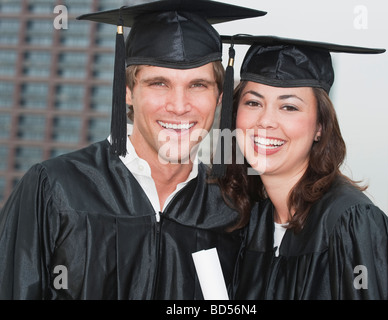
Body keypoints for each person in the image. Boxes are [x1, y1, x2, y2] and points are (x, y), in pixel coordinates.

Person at [0, 2, 266, 299]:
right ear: (127, 91)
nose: (179, 106)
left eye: (198, 85)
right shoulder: (55, 188)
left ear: (219, 97)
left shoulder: (233, 212)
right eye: (159, 83)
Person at [218, 34, 388, 299]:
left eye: (289, 107)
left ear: (320, 127)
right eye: (253, 103)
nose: (266, 121)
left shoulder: (352, 224)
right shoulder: (253, 219)